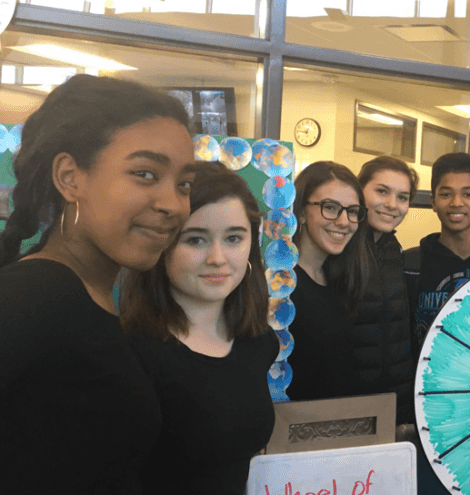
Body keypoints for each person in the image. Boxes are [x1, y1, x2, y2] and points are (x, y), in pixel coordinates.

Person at [0, 74, 196, 493]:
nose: (172, 204)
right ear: (70, 177)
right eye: (145, 174)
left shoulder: (94, 297)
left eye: (184, 184)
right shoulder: (33, 298)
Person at [120, 161, 278, 495]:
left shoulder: (258, 342)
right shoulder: (130, 354)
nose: (218, 258)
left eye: (234, 238)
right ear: (162, 246)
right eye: (195, 240)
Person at [285, 161, 374, 402]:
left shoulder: (339, 280)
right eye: (330, 207)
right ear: (301, 212)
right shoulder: (280, 287)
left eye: (353, 211)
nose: (344, 221)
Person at [356, 156, 419, 424]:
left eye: (402, 197)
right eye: (382, 191)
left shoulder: (396, 252)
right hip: (348, 406)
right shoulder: (340, 249)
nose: (392, 205)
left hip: (395, 405)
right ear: (359, 192)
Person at [404, 152, 470, 349]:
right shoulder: (409, 264)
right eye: (446, 194)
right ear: (433, 201)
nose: (456, 202)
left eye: (468, 194)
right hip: (424, 377)